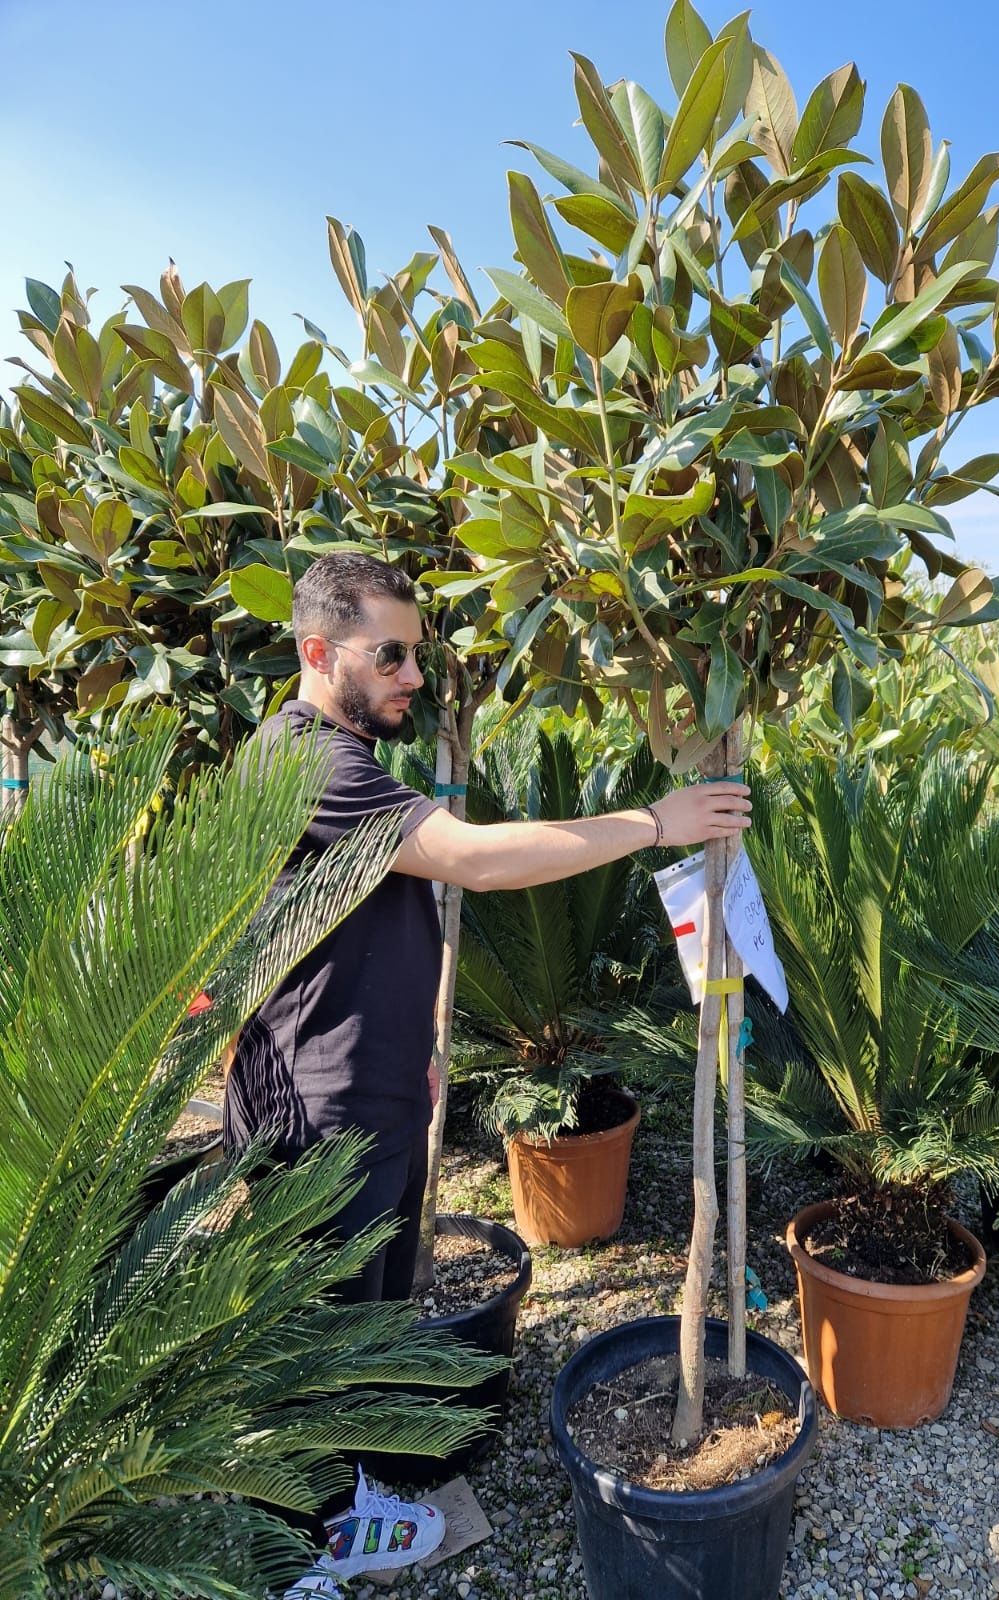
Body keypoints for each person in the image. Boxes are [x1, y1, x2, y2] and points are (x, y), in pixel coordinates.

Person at [225, 553, 750, 1595]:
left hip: (357, 1081)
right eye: (392, 653)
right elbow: (472, 856)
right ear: (318, 651)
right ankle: (302, 1551)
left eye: (415, 652)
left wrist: (414, 1059)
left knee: (351, 1317)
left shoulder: (320, 751)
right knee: (322, 1330)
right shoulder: (311, 763)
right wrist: (657, 823)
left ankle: (337, 1503)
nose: (414, 674)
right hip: (324, 1106)